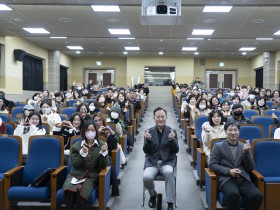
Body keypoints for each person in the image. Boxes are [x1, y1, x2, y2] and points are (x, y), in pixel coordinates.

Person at [209, 122, 263, 210]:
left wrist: (246, 153)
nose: (233, 133)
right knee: (233, 195)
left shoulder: (244, 146)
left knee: (257, 196)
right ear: (225, 132)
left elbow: (251, 167)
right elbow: (212, 164)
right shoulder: (218, 146)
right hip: (226, 178)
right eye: (230, 130)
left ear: (239, 132)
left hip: (242, 178)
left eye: (235, 130)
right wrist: (229, 171)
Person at [63, 120, 108, 210]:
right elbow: (75, 164)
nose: (90, 132)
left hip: (91, 177)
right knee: (69, 190)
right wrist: (82, 154)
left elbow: (103, 166)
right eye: (88, 130)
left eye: (92, 130)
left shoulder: (102, 145)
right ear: (84, 132)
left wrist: (103, 153)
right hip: (75, 175)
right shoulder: (77, 145)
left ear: (96, 131)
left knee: (80, 190)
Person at [143, 107, 179, 210]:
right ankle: (153, 195)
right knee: (147, 177)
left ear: (166, 117)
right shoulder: (148, 131)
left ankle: (170, 202)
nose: (160, 119)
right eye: (158, 117)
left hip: (167, 161)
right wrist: (148, 141)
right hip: (152, 162)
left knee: (168, 172)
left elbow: (176, 150)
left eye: (162, 116)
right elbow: (146, 151)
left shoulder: (172, 131)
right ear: (154, 118)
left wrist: (172, 140)